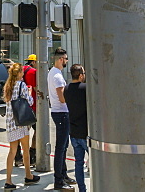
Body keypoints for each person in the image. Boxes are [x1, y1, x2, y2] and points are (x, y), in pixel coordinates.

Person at [3, 62, 41, 189]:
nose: (23, 74)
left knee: (12, 151)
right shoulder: (22, 85)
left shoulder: (8, 85)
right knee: (26, 150)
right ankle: (28, 175)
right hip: (21, 122)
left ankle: (8, 180)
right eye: (22, 72)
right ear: (19, 73)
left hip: (11, 122)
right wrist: (30, 93)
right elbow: (29, 102)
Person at [48, 48, 75, 190]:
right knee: (61, 147)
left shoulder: (53, 73)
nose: (66, 61)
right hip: (61, 113)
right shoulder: (57, 76)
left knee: (63, 147)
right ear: (60, 59)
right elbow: (62, 98)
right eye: (65, 58)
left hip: (59, 113)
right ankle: (59, 179)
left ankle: (63, 175)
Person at [65, 64, 88, 192]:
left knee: (79, 163)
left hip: (73, 132)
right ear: (80, 75)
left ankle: (82, 189)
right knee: (96, 164)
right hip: (86, 132)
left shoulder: (66, 89)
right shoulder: (85, 88)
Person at [14, 54, 38, 167]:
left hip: (20, 107)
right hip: (32, 107)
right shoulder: (34, 72)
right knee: (38, 132)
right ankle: (32, 154)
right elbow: (37, 88)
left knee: (21, 131)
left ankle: (17, 156)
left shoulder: (20, 70)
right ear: (33, 62)